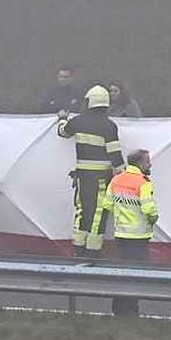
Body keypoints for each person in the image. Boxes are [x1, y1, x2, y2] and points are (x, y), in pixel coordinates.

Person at [58, 85, 125, 257]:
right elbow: (115, 155)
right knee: (98, 212)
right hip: (102, 177)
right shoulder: (109, 126)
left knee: (81, 209)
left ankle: (78, 247)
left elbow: (63, 132)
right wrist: (125, 175)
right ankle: (93, 250)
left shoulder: (78, 121)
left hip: (82, 175)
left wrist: (62, 119)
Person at [103, 149, 158, 316]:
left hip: (121, 234)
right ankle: (131, 310)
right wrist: (154, 218)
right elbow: (149, 209)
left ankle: (118, 309)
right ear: (140, 163)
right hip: (139, 236)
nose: (150, 164)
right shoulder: (144, 183)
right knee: (136, 275)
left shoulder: (116, 180)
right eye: (148, 161)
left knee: (122, 273)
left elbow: (107, 205)